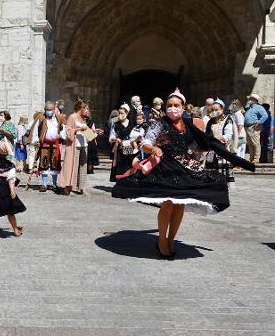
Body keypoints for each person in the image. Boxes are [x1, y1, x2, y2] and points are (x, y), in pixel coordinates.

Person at [112, 88, 254, 259]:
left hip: (183, 166)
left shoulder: (187, 124)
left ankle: (171, 239)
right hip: (165, 168)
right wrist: (154, 148)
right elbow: (146, 143)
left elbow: (198, 143)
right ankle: (162, 241)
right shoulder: (159, 123)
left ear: (183, 106)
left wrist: (209, 147)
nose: (173, 108)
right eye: (170, 105)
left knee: (180, 205)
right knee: (168, 204)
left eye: (176, 105)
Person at [59, 99, 91, 195]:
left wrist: (94, 132)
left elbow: (86, 131)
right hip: (75, 145)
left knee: (83, 166)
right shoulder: (72, 117)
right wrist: (79, 129)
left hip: (84, 145)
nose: (87, 110)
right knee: (73, 166)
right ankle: (70, 187)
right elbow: (68, 132)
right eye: (85, 108)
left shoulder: (83, 118)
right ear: (80, 108)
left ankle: (82, 187)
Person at [205, 98, 237, 184]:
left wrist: (219, 139)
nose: (214, 111)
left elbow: (228, 135)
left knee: (222, 177)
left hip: (222, 151)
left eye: (216, 110)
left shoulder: (228, 120)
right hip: (211, 151)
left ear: (222, 109)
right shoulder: (210, 121)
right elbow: (207, 134)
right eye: (213, 110)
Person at [34, 101, 62, 192]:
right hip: (44, 144)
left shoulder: (59, 118)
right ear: (44, 110)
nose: (49, 111)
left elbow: (64, 128)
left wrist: (62, 135)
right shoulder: (41, 118)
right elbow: (34, 128)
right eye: (47, 109)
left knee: (55, 164)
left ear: (54, 110)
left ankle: (54, 184)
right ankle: (44, 184)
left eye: (50, 109)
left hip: (55, 144)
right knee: (44, 163)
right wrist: (36, 140)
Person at [108, 104, 134, 182]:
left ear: (127, 113)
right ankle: (119, 182)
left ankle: (127, 182)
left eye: (122, 113)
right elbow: (111, 137)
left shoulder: (132, 124)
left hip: (129, 147)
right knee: (120, 164)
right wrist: (116, 139)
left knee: (128, 163)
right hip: (119, 148)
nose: (120, 115)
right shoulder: (116, 125)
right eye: (119, 113)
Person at [244, 93, 269, 163]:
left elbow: (265, 115)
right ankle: (251, 158)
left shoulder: (259, 107)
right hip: (247, 127)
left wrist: (258, 122)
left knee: (255, 143)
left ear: (254, 100)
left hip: (253, 127)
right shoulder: (249, 108)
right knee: (250, 144)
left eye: (250, 99)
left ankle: (256, 158)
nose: (249, 100)